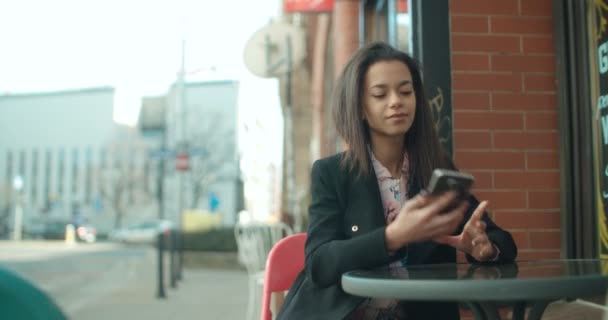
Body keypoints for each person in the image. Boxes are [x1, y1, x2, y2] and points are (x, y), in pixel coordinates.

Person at [276, 42, 517, 320]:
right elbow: (319, 264)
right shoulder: (332, 173)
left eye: (405, 91)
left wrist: (484, 248)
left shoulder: (435, 171)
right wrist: (391, 238)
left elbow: (503, 241)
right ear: (360, 108)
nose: (396, 101)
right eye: (380, 94)